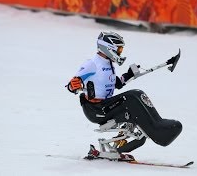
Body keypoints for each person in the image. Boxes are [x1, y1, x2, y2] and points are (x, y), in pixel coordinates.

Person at [66, 31, 182, 161]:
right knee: (132, 97)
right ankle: (156, 130)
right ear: (109, 48)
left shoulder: (108, 64)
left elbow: (117, 83)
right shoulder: (92, 64)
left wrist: (129, 74)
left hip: (106, 105)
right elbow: (73, 84)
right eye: (119, 49)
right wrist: (73, 86)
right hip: (96, 109)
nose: (120, 53)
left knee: (138, 94)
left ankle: (157, 124)